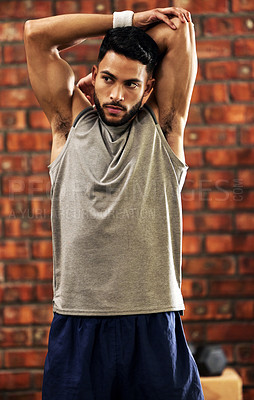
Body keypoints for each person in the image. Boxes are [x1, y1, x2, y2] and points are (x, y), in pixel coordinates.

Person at [24, 6, 204, 400]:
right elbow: (36, 35)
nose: (117, 95)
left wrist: (124, 51)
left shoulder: (164, 128)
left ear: (149, 88)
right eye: (107, 79)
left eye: (131, 84)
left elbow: (177, 32)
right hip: (78, 324)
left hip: (154, 322)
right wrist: (126, 22)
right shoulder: (67, 124)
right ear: (94, 74)